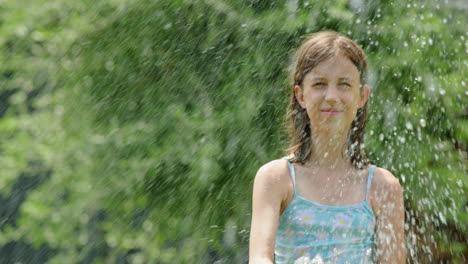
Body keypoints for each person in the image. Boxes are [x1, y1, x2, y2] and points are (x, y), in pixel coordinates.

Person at [249, 31, 405, 264]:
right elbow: (259, 259)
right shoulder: (276, 179)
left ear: (362, 96)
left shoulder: (383, 187)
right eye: (319, 84)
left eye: (344, 84)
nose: (331, 96)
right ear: (300, 95)